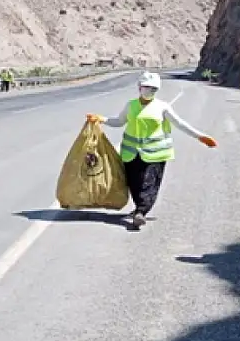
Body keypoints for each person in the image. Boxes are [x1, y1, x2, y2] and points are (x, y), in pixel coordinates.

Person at [90, 72, 217, 229]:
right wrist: (101, 119)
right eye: (146, 87)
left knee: (148, 183)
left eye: (153, 89)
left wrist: (200, 137)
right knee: (134, 183)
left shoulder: (162, 107)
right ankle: (139, 208)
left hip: (155, 154)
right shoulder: (131, 105)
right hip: (131, 153)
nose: (149, 91)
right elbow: (119, 121)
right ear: (139, 87)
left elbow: (180, 123)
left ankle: (141, 212)